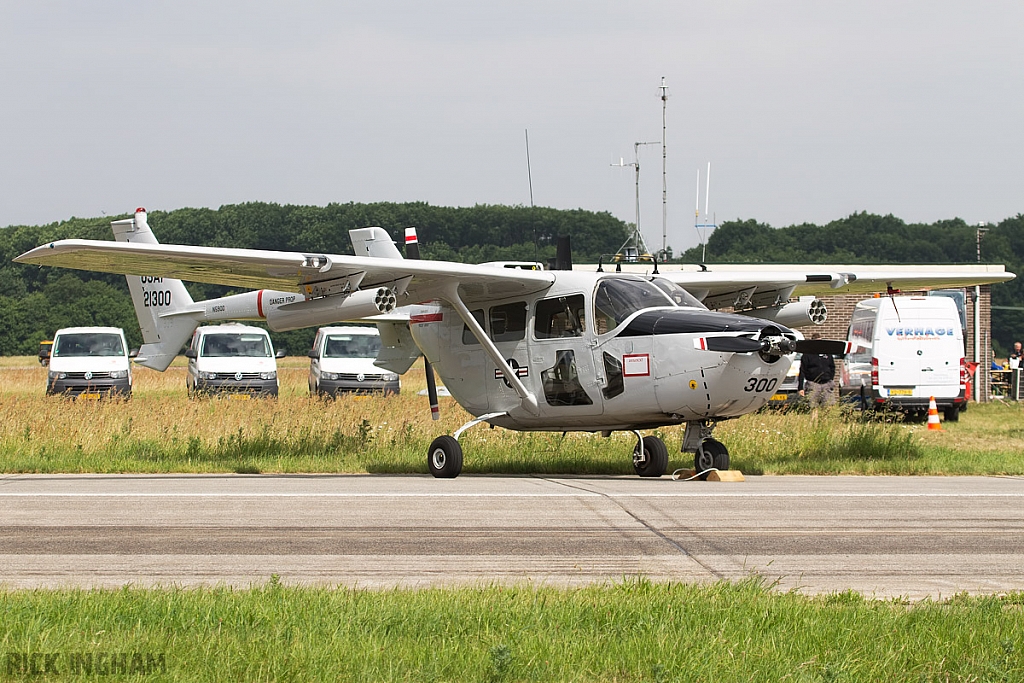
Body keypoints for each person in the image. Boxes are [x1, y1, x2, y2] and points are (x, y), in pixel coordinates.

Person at [798, 333, 837, 408]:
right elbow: (802, 371)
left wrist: (830, 379)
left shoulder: (827, 354)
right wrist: (800, 388)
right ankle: (814, 419)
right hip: (813, 384)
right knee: (813, 406)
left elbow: (832, 367)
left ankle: (825, 419)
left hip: (826, 384)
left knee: (828, 406)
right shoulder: (807, 355)